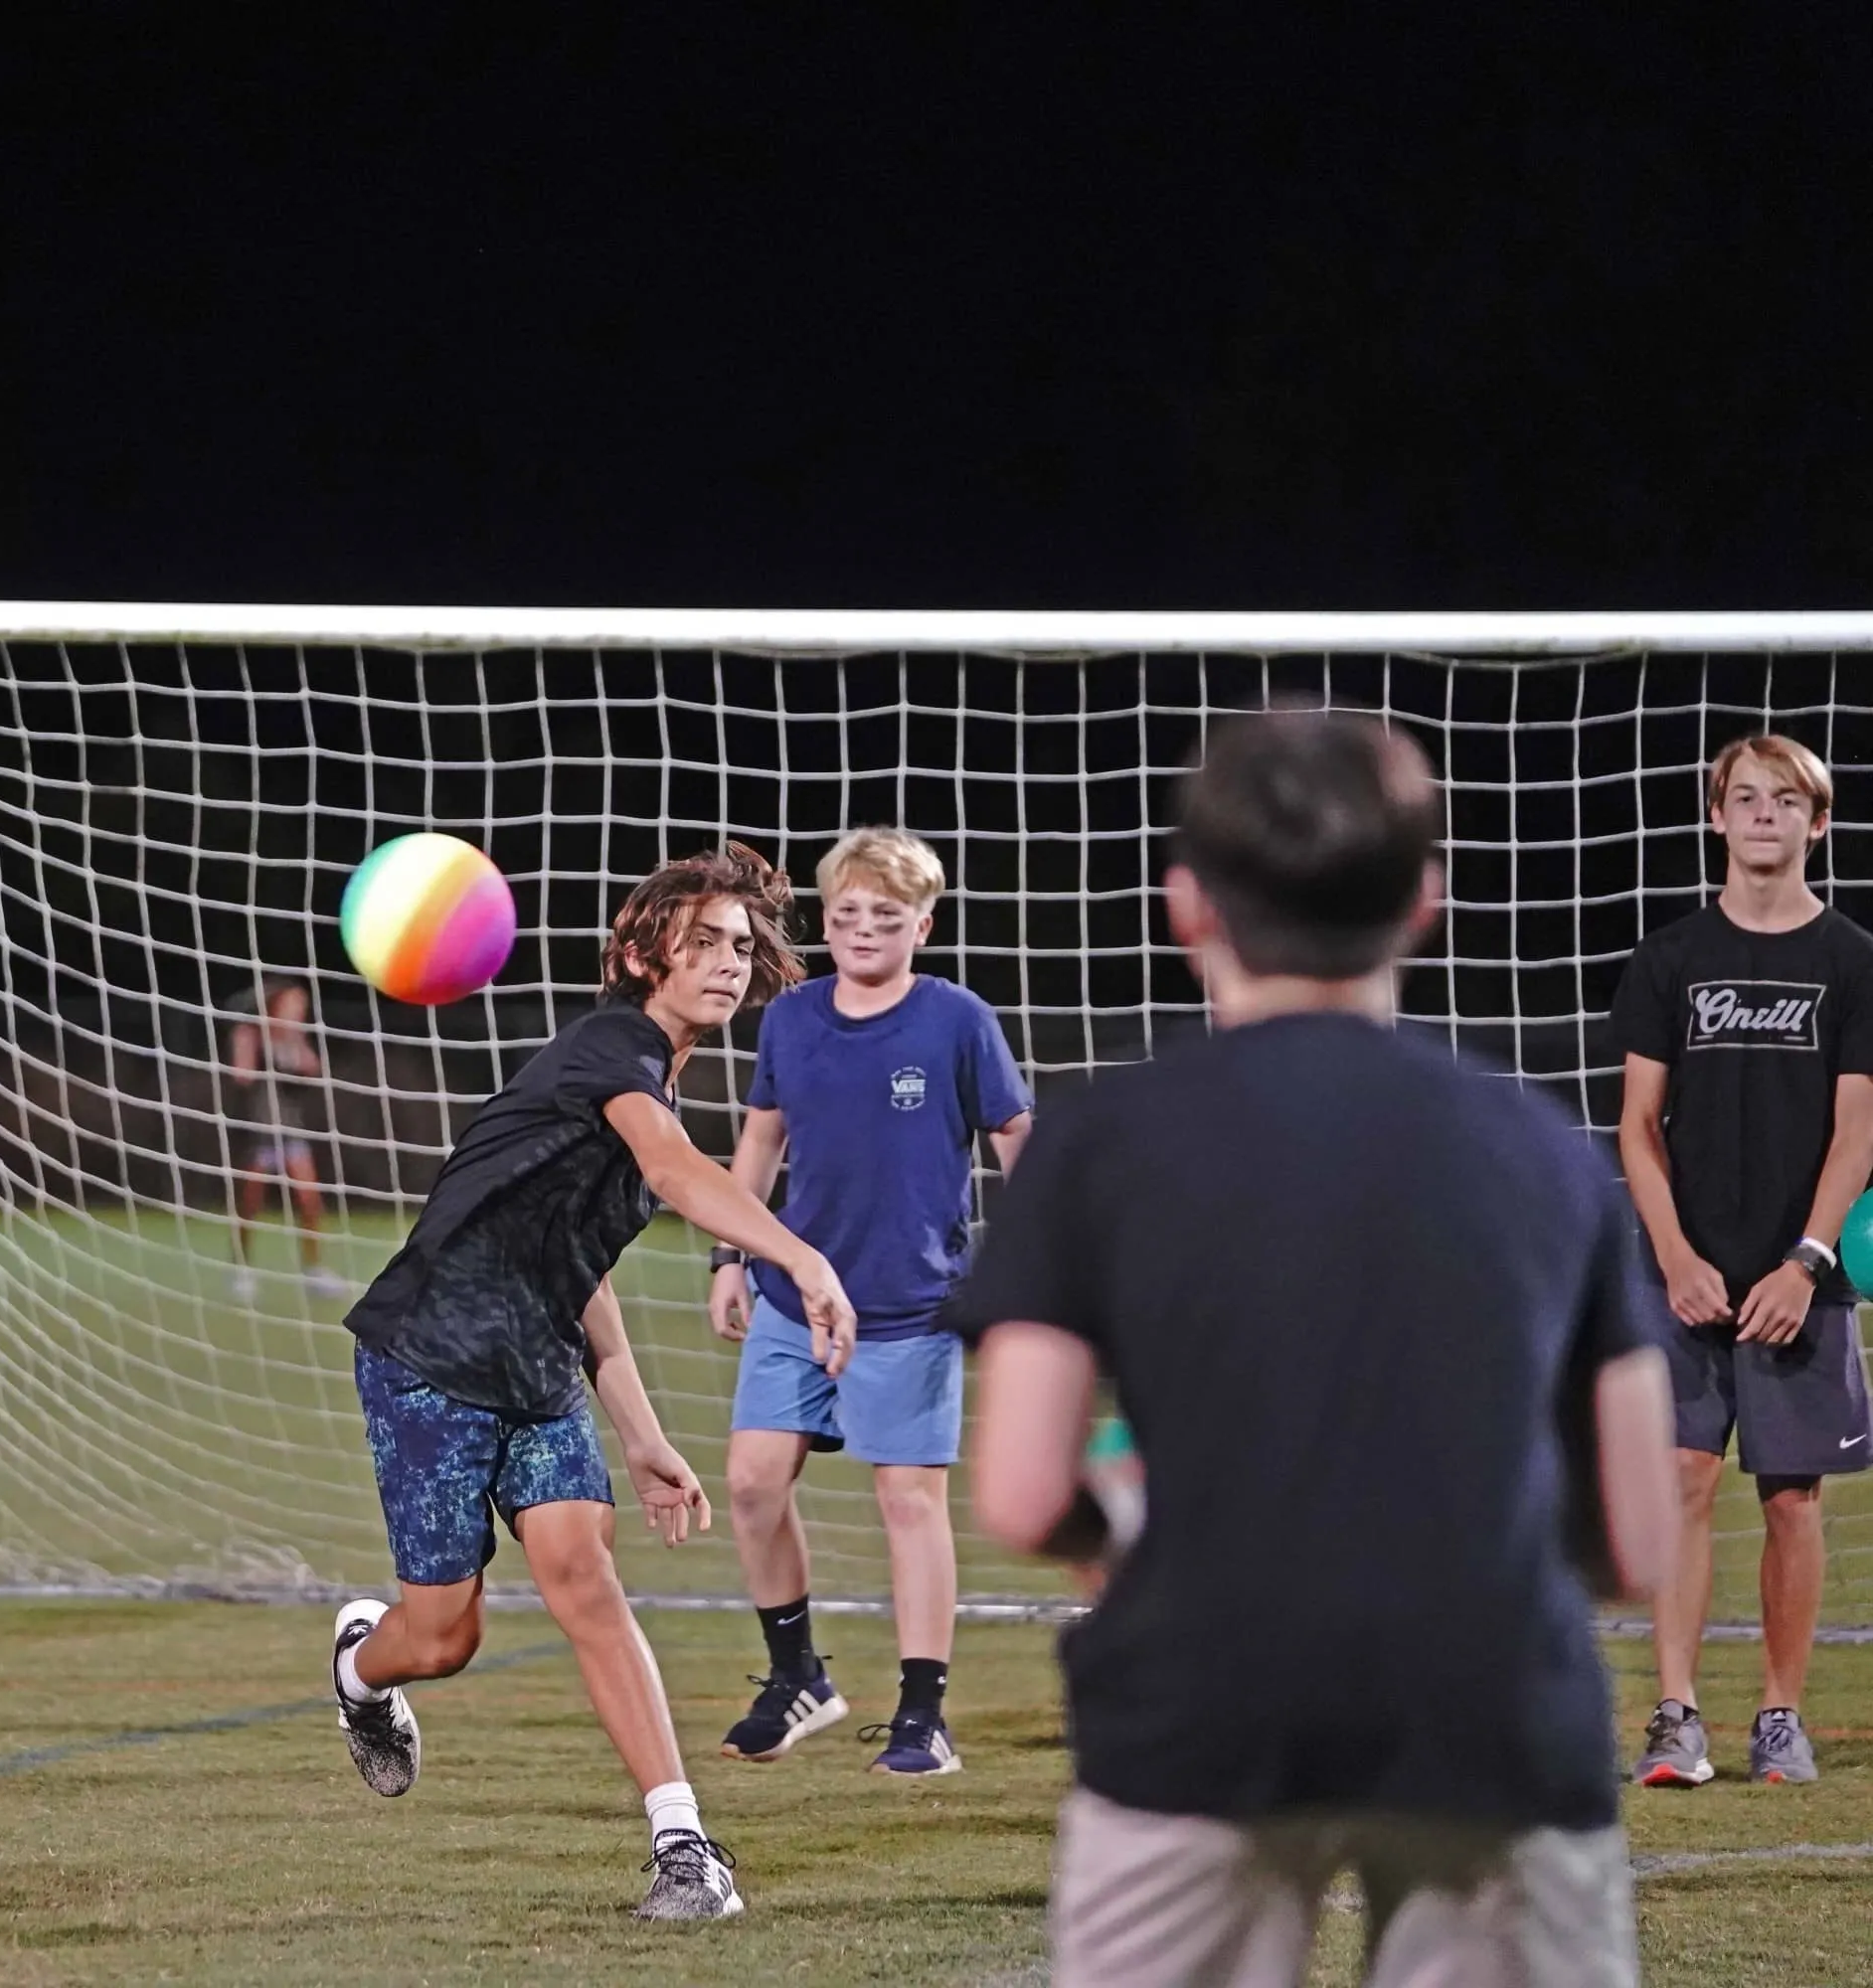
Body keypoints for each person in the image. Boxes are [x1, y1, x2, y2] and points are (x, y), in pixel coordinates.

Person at [945, 711, 1679, 1986]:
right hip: (1492, 1706)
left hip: (1200, 1693)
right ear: (1425, 900)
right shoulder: (1549, 1151)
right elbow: (1639, 1540)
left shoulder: (1098, 1140)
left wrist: (1126, 1529)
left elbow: (1017, 1490)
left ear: (1188, 905)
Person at [329, 841, 856, 1923]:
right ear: (637, 953)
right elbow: (673, 1174)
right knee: (445, 1636)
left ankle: (681, 1844)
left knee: (586, 1575)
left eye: (741, 947)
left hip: (535, 1370)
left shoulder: (656, 1075)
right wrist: (799, 1258)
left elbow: (586, 1269)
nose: (727, 963)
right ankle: (359, 1670)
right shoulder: (609, 1046)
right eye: (703, 942)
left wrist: (644, 1432)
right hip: (425, 1358)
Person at [708, 827, 1032, 1774]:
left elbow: (1018, 1136)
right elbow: (760, 1142)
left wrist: (1038, 1261)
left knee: (907, 1502)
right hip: (791, 1296)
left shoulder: (956, 1020)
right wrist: (731, 1254)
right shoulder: (791, 1018)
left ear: (921, 925)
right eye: (845, 914)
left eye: (884, 917)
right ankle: (796, 1675)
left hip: (908, 1306)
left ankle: (923, 1714)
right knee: (753, 1482)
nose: (861, 930)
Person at [1610, 732, 1873, 1788]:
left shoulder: (1854, 960)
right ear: (1716, 816)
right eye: (1745, 797)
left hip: (1798, 1277)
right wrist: (1674, 1254)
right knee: (1678, 1475)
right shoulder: (1671, 956)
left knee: (1792, 1497)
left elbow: (1859, 1128)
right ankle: (1675, 1715)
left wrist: (1805, 1261)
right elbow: (1636, 1123)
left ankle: (1779, 1714)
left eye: (1786, 800)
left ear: (1819, 823)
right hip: (1686, 1273)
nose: (1764, 813)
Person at [223, 978, 351, 1301]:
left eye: (301, 1007)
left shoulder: (294, 1039)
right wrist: (262, 1045)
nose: (298, 1012)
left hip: (291, 1130)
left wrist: (293, 1054)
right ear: (275, 1005)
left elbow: (314, 1069)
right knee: (250, 1204)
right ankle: (241, 1268)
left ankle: (314, 1269)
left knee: (310, 1200)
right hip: (257, 1130)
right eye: (292, 1005)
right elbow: (242, 1074)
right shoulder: (249, 1033)